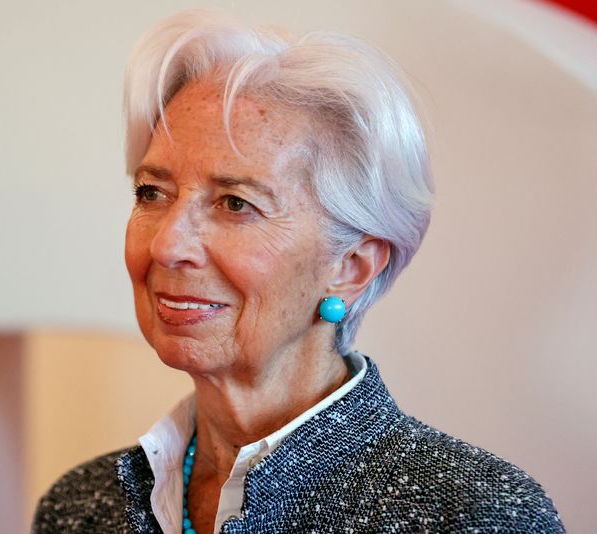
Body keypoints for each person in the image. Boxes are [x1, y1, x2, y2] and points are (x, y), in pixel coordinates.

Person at [33, 10, 564, 533]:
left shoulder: (476, 515)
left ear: (350, 267)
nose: (169, 244)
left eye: (236, 204)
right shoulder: (80, 507)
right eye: (152, 193)